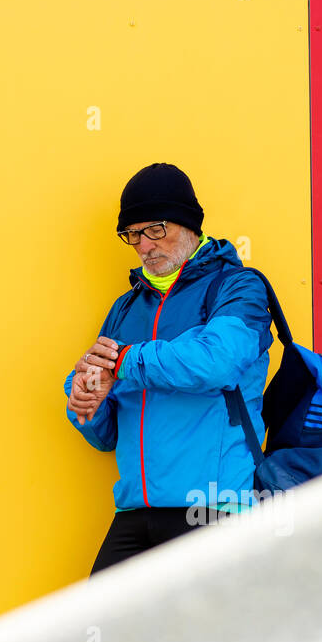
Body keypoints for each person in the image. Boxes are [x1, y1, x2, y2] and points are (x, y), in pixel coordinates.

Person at [63, 163, 273, 576]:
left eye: (155, 229)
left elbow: (216, 361)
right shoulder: (126, 308)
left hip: (213, 508)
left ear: (190, 225)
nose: (144, 245)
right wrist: (86, 401)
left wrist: (124, 362)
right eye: (133, 235)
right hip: (135, 511)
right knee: (97, 634)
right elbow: (104, 434)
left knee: (201, 639)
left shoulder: (238, 287)